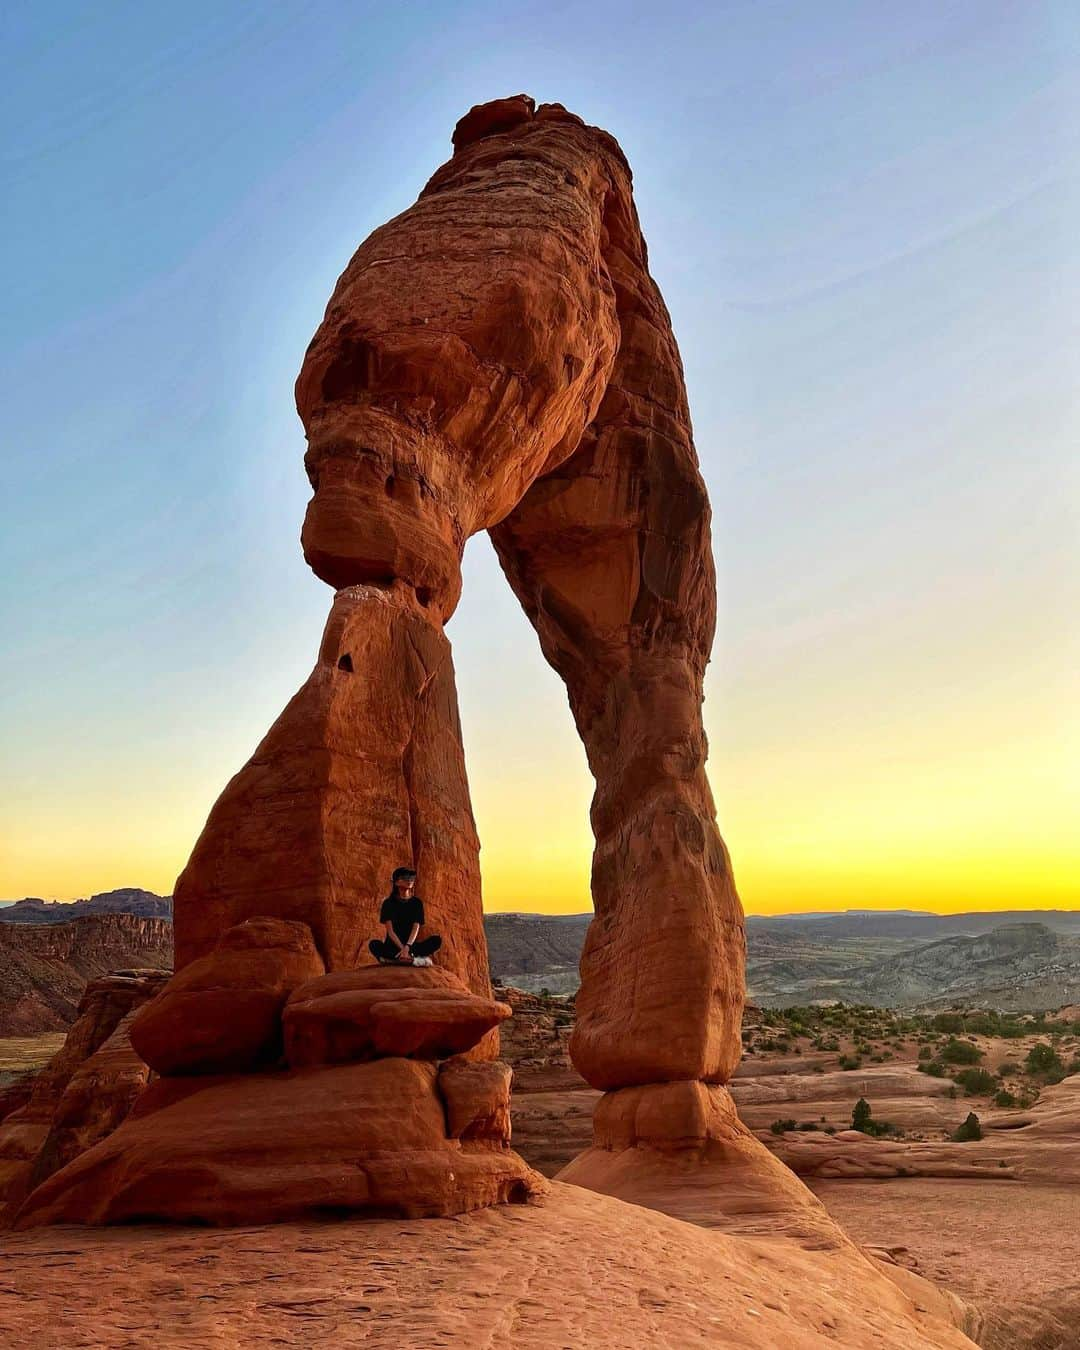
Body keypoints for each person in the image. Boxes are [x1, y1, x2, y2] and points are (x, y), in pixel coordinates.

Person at [368, 866, 443, 966]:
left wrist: (407, 947)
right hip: (394, 946)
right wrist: (402, 949)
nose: (409, 880)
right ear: (396, 882)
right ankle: (410, 959)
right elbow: (391, 932)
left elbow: (415, 928)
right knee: (373, 944)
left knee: (436, 940)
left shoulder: (417, 903)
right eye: (405, 878)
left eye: (411, 878)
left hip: (411, 945)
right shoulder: (388, 903)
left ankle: (397, 960)